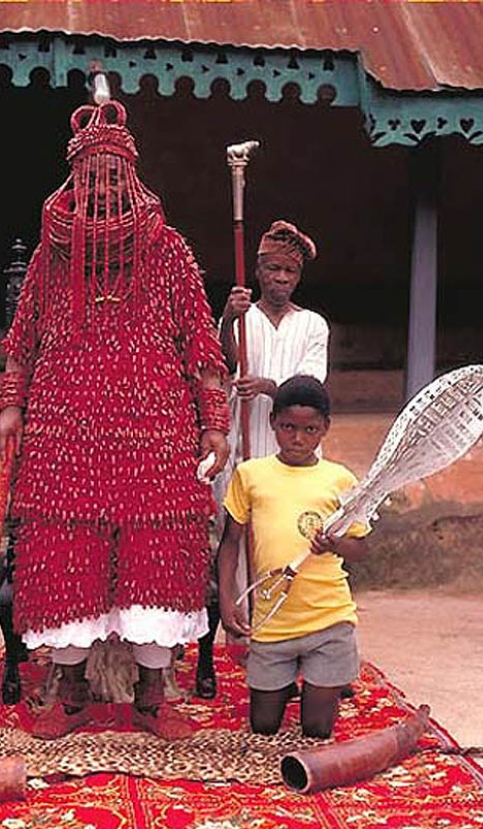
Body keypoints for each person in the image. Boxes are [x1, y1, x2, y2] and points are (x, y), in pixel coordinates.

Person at [0, 98, 230, 741]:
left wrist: (214, 423)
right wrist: (11, 409)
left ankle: (154, 695)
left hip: (157, 430)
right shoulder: (49, 256)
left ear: (130, 176)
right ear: (75, 179)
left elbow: (201, 347)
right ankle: (68, 694)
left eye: (109, 174)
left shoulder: (170, 252)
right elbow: (22, 342)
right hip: (64, 428)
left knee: (160, 555)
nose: (99, 187)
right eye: (88, 175)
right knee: (63, 554)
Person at [196, 220, 329, 699]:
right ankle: (221, 642)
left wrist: (270, 388)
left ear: (298, 277)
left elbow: (311, 389)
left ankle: (290, 645)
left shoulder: (313, 324)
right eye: (272, 269)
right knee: (232, 539)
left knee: (286, 546)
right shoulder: (239, 317)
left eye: (289, 272)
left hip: (288, 450)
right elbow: (222, 364)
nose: (280, 279)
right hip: (241, 442)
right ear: (257, 270)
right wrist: (229, 320)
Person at [217, 376, 369, 738]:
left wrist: (334, 543)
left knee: (316, 731)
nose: (298, 438)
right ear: (273, 422)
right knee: (263, 728)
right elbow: (229, 543)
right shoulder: (251, 474)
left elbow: (361, 549)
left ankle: (322, 684)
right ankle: (284, 685)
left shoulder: (340, 480)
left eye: (310, 429)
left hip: (328, 619)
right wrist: (227, 598)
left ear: (325, 429)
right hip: (272, 623)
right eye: (288, 427)